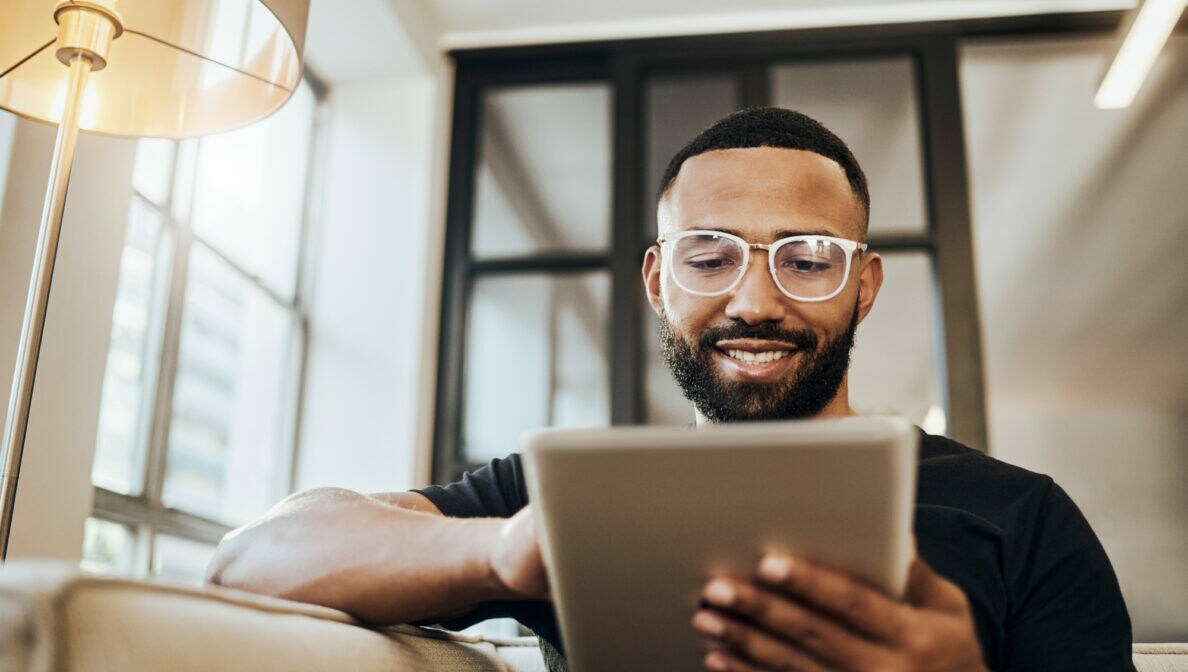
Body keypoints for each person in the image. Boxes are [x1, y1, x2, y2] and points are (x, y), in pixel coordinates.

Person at [207, 107, 1135, 672]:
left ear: (865, 283)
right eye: (711, 255)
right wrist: (512, 553)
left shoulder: (1024, 517)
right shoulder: (563, 502)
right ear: (659, 281)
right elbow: (253, 561)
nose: (755, 298)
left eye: (808, 260)